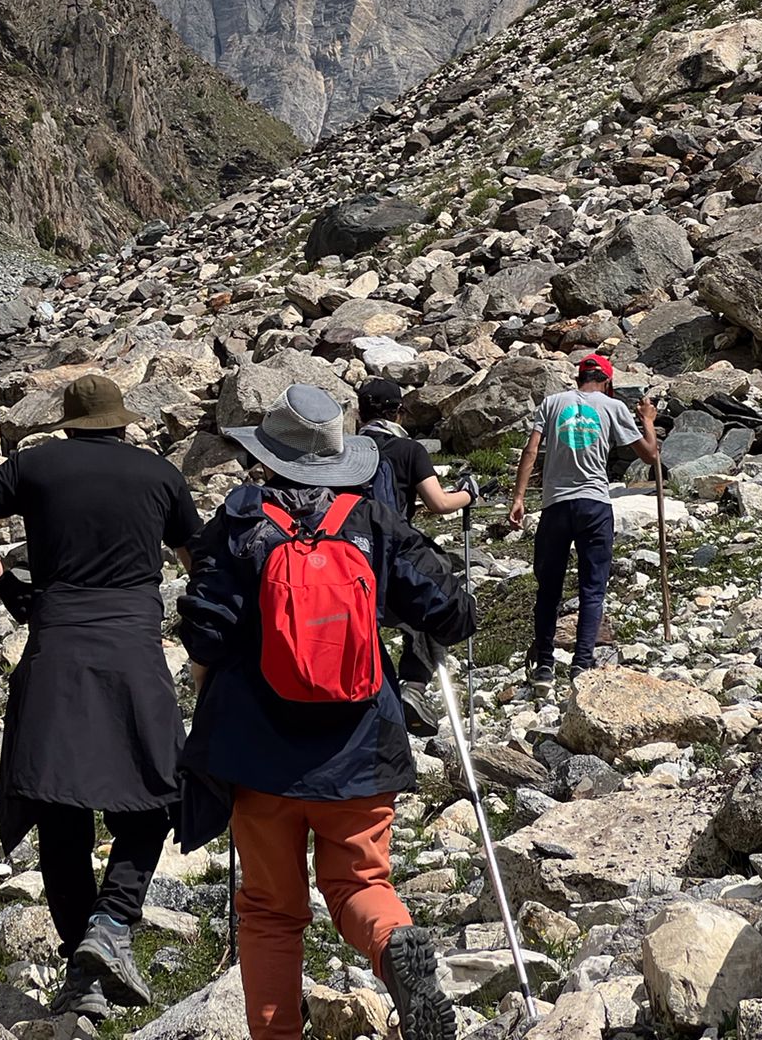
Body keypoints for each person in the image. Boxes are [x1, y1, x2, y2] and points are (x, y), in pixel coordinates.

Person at [179, 384, 476, 1040]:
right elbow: (454, 612)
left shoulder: (238, 519)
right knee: (358, 883)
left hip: (259, 758)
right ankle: (395, 945)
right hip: (361, 746)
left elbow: (204, 632)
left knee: (269, 911)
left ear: (271, 456)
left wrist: (210, 711)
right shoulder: (372, 521)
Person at [0, 372, 202, 1021]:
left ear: (67, 423)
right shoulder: (158, 475)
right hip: (131, 652)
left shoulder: (35, 465)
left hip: (55, 648)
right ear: (122, 421)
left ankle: (81, 972)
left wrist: (7, 587)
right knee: (157, 792)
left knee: (61, 812)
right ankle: (110, 926)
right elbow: (201, 562)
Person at [508, 353, 659, 693]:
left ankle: (545, 667)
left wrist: (518, 498)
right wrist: (647, 419)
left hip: (556, 506)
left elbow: (531, 452)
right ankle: (581, 664)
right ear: (607, 381)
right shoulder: (612, 407)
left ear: (579, 378)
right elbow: (651, 455)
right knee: (593, 589)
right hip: (594, 504)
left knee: (548, 590)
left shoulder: (551, 403)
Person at [357, 378, 476, 729]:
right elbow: (439, 503)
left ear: (361, 412)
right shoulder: (409, 450)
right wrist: (468, 495)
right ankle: (414, 685)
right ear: (397, 411)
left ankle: (371, 695)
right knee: (432, 601)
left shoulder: (345, 452)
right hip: (395, 558)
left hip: (349, 561)